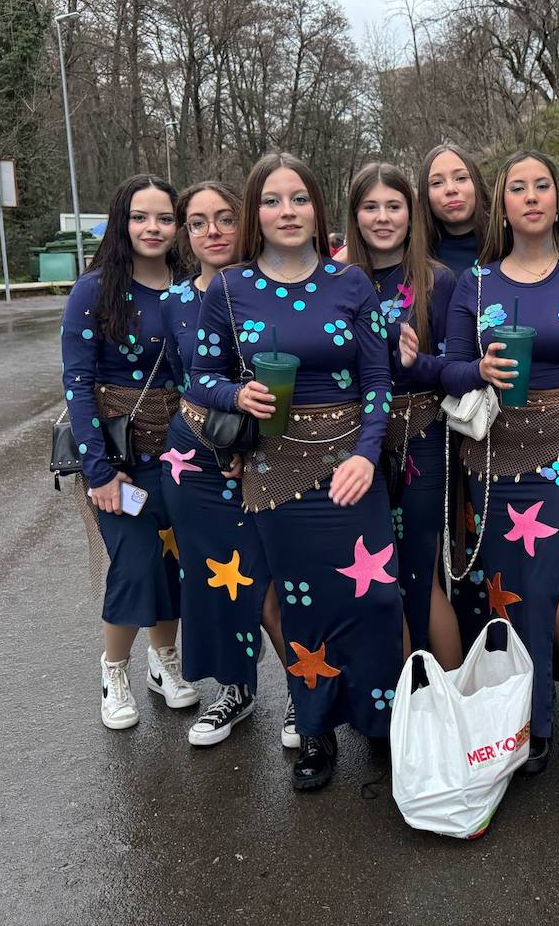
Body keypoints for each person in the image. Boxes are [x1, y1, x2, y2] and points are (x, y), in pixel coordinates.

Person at [189, 152, 400, 792]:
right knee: (302, 607)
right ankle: (315, 730)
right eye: (274, 201)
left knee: (375, 600)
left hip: (350, 463)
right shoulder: (229, 288)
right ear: (257, 212)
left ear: (318, 208)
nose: (288, 212)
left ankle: (381, 725)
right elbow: (199, 376)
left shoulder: (351, 284)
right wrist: (233, 397)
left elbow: (378, 380)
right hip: (274, 470)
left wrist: (367, 452)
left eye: (299, 199)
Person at [440, 150, 559, 774]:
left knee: (546, 589)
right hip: (492, 457)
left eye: (541, 186)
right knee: (506, 593)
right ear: (504, 204)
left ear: (556, 198)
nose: (530, 197)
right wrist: (478, 369)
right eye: (517, 188)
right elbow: (450, 367)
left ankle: (535, 726)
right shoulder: (476, 284)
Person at [59, 173, 199, 729]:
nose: (153, 228)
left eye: (164, 217)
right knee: (137, 562)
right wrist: (100, 472)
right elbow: (77, 384)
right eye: (141, 217)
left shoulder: (191, 287)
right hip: (118, 460)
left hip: (183, 456)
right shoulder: (94, 291)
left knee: (172, 561)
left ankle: (163, 661)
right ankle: (113, 668)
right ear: (122, 222)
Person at [159, 181, 291, 747]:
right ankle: (234, 690)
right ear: (186, 235)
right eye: (197, 222)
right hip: (192, 457)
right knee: (214, 580)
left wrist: (249, 446)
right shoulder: (174, 303)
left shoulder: (266, 290)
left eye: (223, 218)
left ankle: (303, 687)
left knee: (268, 579)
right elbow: (171, 382)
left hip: (261, 453)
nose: (212, 231)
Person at [346, 163, 462, 668]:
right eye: (370, 207)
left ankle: (457, 702)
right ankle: (398, 699)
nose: (383, 217)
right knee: (369, 574)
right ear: (354, 216)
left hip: (421, 434)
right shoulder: (334, 280)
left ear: (412, 214)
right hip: (350, 444)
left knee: (420, 571)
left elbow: (459, 369)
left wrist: (416, 363)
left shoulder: (437, 281)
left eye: (394, 206)